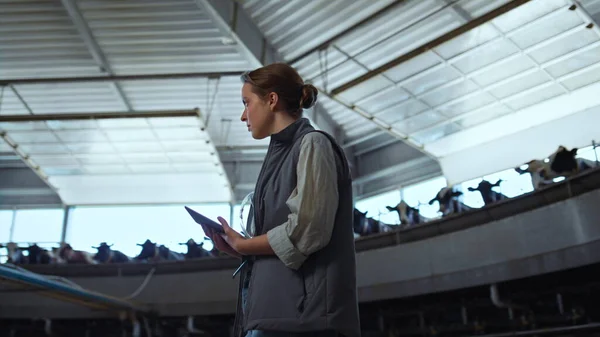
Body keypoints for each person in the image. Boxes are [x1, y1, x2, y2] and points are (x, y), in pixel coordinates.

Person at [201, 63, 360, 337]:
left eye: (246, 102)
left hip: (303, 321)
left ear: (271, 100)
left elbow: (308, 230)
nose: (243, 115)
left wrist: (245, 244)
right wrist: (241, 249)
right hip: (277, 316)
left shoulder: (313, 144)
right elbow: (286, 238)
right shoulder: (281, 154)